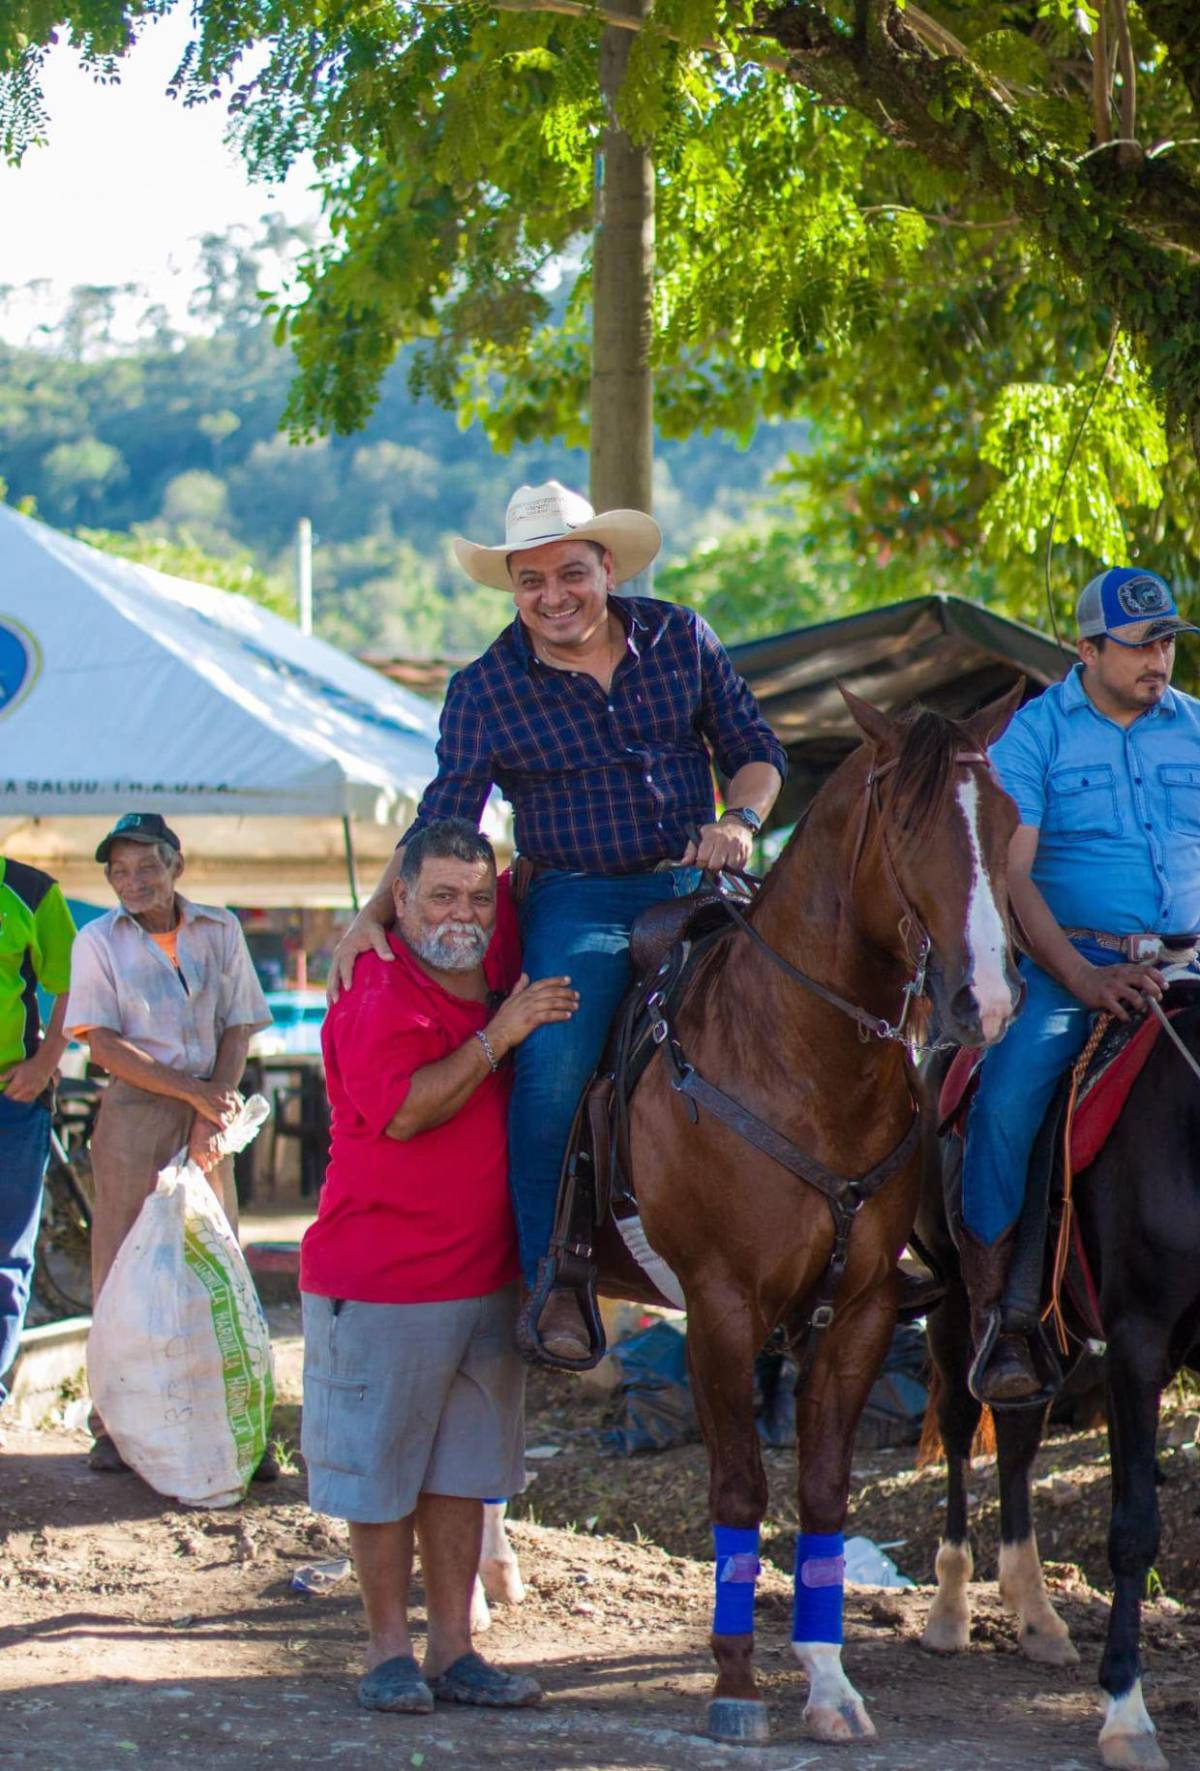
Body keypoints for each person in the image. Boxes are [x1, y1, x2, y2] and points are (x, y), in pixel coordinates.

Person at [331, 481, 786, 1358]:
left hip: (702, 877)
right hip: (580, 897)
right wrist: (368, 915)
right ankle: (556, 1281)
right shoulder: (486, 688)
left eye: (570, 572)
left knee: (835, 998)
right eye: (530, 580)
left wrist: (739, 823)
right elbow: (444, 820)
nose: (553, 596)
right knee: (548, 1066)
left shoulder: (681, 636)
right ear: (512, 587)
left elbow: (755, 755)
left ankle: (864, 1236)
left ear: (606, 568)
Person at [302, 818, 575, 1713]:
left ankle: (454, 1648)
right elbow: (411, 1109)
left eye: (475, 895)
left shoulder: (490, 943)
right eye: (439, 896)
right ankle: (386, 1649)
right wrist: (500, 1035)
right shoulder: (376, 988)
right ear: (399, 899)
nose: (462, 912)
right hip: (382, 1280)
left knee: (461, 1472)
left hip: (481, 1278)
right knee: (383, 1476)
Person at [961, 566, 1200, 1402]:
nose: (1157, 660)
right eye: (1139, 646)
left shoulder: (1196, 729)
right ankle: (1002, 1312)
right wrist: (1082, 976)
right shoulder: (1032, 737)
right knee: (1009, 1094)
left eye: (1166, 641)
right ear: (1086, 647)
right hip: (1075, 966)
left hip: (1190, 960)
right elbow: (1013, 877)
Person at [63, 812, 272, 1471]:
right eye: (119, 871)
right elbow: (100, 1042)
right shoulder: (98, 939)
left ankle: (236, 1425)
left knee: (217, 1259)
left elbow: (239, 1024)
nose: (132, 881)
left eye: (146, 867)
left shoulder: (219, 929)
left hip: (209, 1105)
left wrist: (215, 1107)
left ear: (177, 866)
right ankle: (116, 1426)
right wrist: (194, 1094)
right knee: (125, 1267)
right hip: (136, 1111)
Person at [0, 857, 77, 1415]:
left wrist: (47, 1057)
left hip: (13, 1096)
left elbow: (76, 983)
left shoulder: (29, 889)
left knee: (5, 1254)